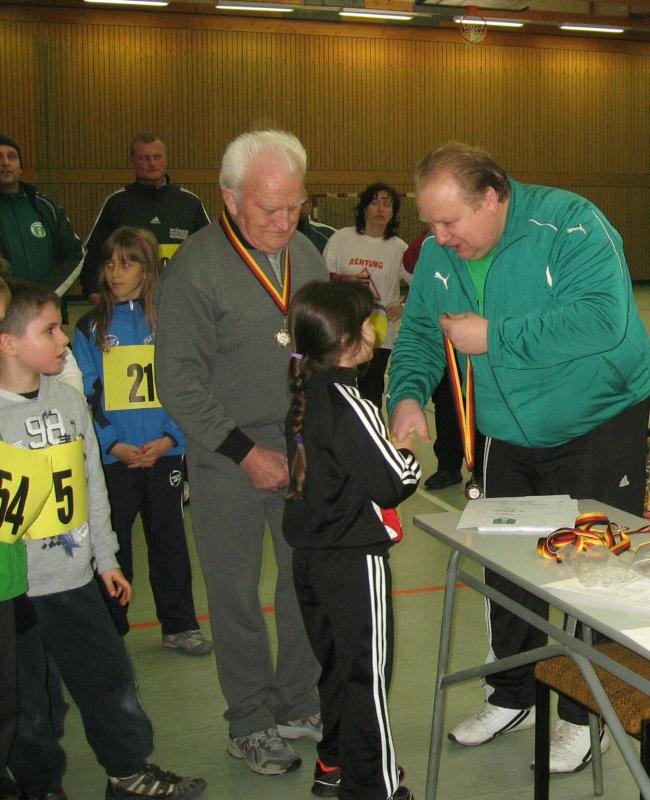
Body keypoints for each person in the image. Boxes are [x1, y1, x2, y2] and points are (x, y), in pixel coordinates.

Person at [388, 142, 650, 774]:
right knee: (505, 571)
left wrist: (493, 336)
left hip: (598, 422)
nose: (439, 238)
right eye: (429, 223)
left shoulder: (570, 224)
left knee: (594, 574)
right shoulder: (441, 254)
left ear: (492, 197)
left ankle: (586, 715)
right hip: (504, 434)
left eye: (450, 222)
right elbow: (420, 330)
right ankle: (513, 695)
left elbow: (604, 319)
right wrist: (407, 395)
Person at [154, 130, 326, 776]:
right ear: (229, 199)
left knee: (304, 582)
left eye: (295, 205)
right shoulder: (195, 269)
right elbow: (179, 383)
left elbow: (319, 353)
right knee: (234, 594)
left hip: (299, 449)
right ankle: (250, 720)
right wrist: (245, 453)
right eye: (268, 208)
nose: (284, 221)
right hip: (225, 455)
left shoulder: (306, 255)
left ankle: (300, 702)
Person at [0, 278, 207, 800]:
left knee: (109, 680)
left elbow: (92, 486)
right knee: (30, 700)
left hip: (75, 579)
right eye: (50, 330)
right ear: (9, 342)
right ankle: (40, 786)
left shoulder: (70, 403)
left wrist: (106, 558)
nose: (63, 339)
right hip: (19, 590)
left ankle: (128, 772)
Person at [283, 280, 420, 800]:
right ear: (348, 340)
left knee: (339, 667)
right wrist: (405, 451)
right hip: (353, 562)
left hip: (311, 560)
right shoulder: (350, 403)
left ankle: (334, 763)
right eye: (368, 323)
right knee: (367, 677)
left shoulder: (304, 397)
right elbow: (394, 482)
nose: (374, 331)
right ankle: (374, 787)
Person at [72, 227, 211, 655]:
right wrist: (110, 443)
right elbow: (86, 392)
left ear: (148, 270)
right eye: (110, 263)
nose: (115, 272)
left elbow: (185, 381)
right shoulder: (90, 327)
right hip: (114, 459)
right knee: (113, 543)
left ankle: (179, 625)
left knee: (169, 542)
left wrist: (170, 438)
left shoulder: (167, 322)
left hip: (164, 454)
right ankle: (111, 631)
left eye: (127, 263)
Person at [80, 133, 210, 300]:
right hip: (128, 302)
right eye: (144, 158)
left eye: (157, 157)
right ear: (132, 161)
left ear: (166, 159)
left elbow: (209, 252)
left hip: (180, 299)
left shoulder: (190, 203)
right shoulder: (116, 203)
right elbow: (94, 253)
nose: (152, 163)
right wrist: (94, 292)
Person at [402, 227, 484, 491]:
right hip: (446, 344)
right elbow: (410, 260)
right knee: (448, 406)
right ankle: (448, 466)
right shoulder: (435, 240)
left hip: (481, 347)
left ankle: (482, 472)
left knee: (481, 408)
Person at [323, 183, 410, 409]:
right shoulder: (341, 239)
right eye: (375, 202)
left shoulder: (399, 248)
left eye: (387, 204)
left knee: (370, 396)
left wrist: (404, 305)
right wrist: (346, 280)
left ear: (393, 212)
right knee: (339, 393)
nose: (380, 208)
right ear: (364, 208)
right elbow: (322, 278)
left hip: (379, 333)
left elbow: (422, 286)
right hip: (342, 329)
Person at [0, 134, 83, 301]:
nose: (5, 162)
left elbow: (75, 254)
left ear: (21, 167)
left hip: (46, 304)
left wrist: (46, 294)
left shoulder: (46, 208)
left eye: (12, 157)